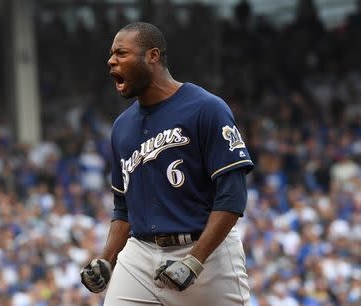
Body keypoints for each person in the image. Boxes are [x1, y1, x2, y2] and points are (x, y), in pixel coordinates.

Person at [80, 21, 254, 306]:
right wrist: (107, 259)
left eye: (121, 53)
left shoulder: (207, 108)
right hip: (140, 254)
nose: (111, 61)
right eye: (111, 54)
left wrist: (195, 260)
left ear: (153, 56)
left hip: (205, 251)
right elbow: (123, 208)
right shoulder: (122, 127)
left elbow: (232, 196)